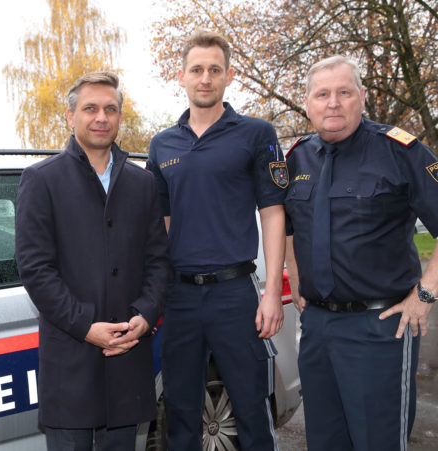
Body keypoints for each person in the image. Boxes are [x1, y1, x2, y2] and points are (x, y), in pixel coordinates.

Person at [284, 55, 438, 451]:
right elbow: (289, 226)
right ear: (308, 103)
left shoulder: (399, 150)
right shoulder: (297, 157)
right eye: (322, 94)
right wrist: (299, 281)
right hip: (319, 329)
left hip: (380, 326)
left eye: (344, 92)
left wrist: (424, 295)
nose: (333, 103)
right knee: (324, 441)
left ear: (362, 97)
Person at [147, 30, 287, 450]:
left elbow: (274, 212)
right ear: (181, 76)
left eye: (214, 70)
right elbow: (162, 223)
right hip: (180, 298)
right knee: (181, 414)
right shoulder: (161, 144)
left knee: (252, 411)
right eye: (196, 70)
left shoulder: (257, 134)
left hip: (235, 293)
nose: (204, 78)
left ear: (228, 76)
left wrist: (270, 295)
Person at [15, 71, 170, 450]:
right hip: (71, 362)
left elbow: (159, 261)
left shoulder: (143, 183)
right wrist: (85, 325)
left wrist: (144, 316)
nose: (101, 117)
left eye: (110, 109)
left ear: (119, 117)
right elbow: (36, 269)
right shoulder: (41, 180)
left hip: (127, 361)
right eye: (90, 108)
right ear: (71, 117)